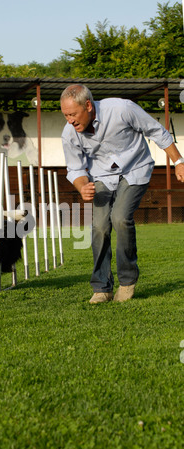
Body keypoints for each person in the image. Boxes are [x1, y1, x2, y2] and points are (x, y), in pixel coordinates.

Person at [60, 84, 184, 304]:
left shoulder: (121, 109)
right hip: (102, 176)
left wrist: (178, 161)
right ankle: (102, 288)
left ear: (88, 105)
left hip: (135, 169)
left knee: (120, 218)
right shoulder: (70, 134)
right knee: (99, 227)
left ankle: (127, 282)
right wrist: (82, 186)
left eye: (72, 114)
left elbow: (156, 131)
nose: (69, 120)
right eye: (66, 115)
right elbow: (75, 168)